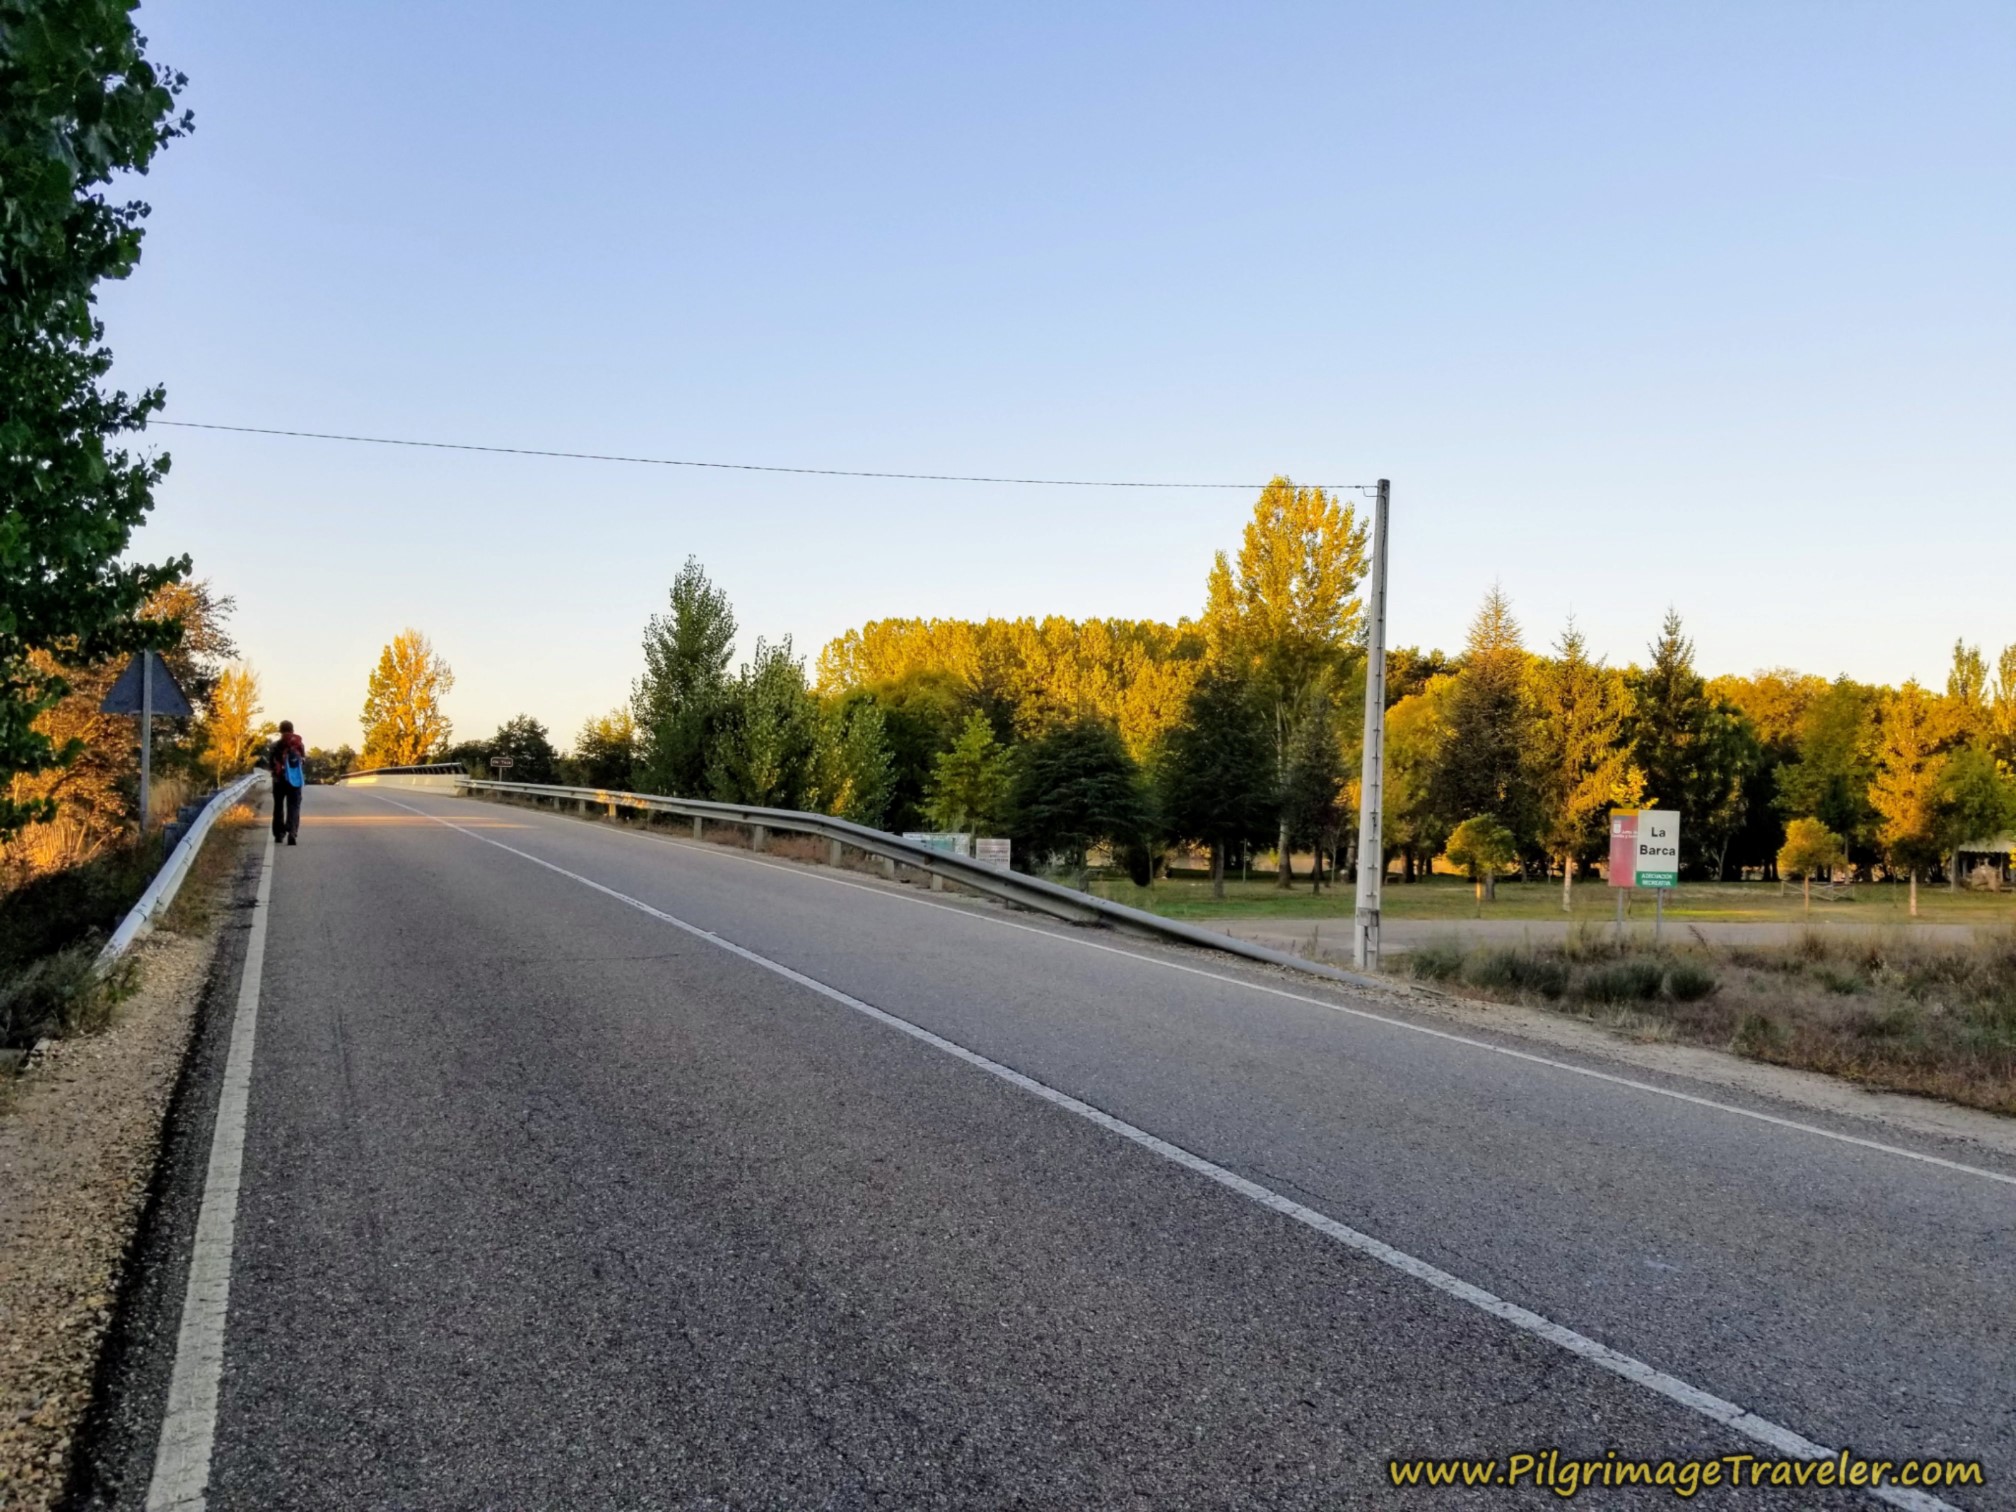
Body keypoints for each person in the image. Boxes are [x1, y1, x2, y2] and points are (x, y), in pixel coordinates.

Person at [267, 720, 306, 845]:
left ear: (280, 730)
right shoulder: (299, 744)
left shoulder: (275, 745)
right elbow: (303, 761)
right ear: (292, 730)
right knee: (294, 806)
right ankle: (292, 833)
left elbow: (270, 764)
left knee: (278, 806)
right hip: (294, 780)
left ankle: (279, 834)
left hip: (279, 780)